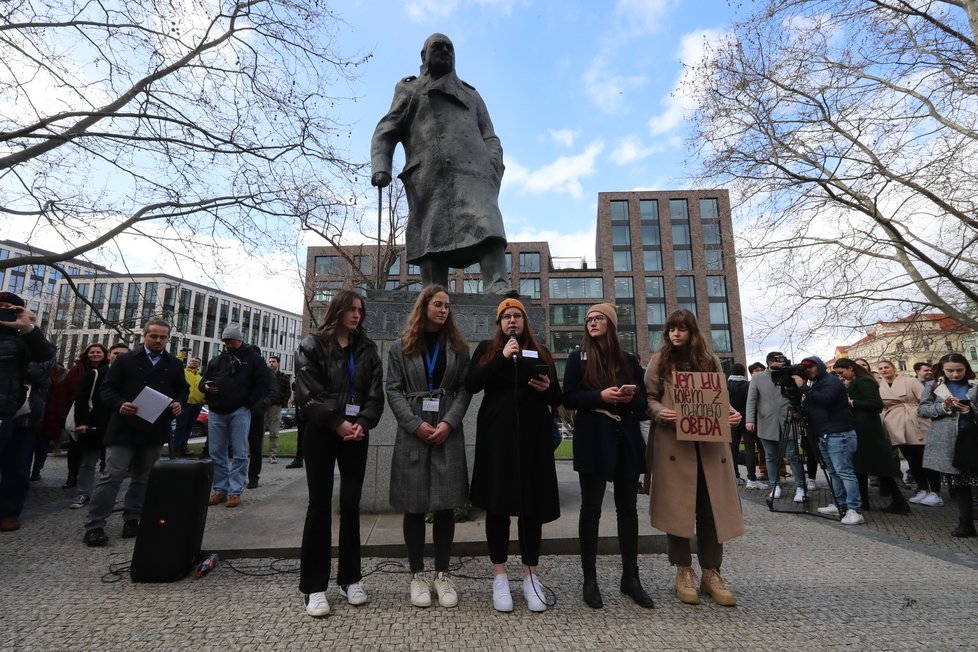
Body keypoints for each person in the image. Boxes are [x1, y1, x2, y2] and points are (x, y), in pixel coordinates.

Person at [371, 33, 509, 293]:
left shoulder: (471, 94)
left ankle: (498, 283)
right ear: (424, 56)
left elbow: (490, 135)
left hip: (475, 174)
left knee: (487, 220)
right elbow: (385, 131)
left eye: (450, 47)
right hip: (430, 178)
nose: (445, 50)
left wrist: (493, 164)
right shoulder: (410, 90)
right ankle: (433, 294)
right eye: (438, 46)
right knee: (431, 236)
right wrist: (381, 166)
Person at [465, 297, 561, 613]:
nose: (512, 321)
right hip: (498, 440)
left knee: (530, 509)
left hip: (533, 441)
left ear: (525, 322)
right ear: (499, 324)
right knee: (498, 507)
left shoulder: (540, 351)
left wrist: (546, 387)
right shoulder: (487, 350)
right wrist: (502, 358)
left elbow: (557, 397)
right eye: (506, 317)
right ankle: (500, 576)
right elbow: (472, 383)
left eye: (517, 316)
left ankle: (531, 576)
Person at [644, 309, 743, 607]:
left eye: (681, 329)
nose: (675, 334)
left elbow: (720, 400)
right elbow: (647, 397)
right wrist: (661, 411)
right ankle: (683, 570)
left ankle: (711, 571)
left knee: (712, 508)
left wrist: (732, 414)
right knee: (678, 509)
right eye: (672, 329)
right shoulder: (660, 360)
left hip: (710, 446)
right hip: (675, 445)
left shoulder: (710, 361)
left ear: (692, 331)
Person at [294, 290, 384, 617]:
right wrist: (336, 422)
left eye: (360, 310)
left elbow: (375, 394)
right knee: (319, 506)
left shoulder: (367, 350)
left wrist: (362, 423)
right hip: (321, 432)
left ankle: (350, 579)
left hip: (355, 435)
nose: (356, 315)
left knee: (350, 504)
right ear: (338, 310)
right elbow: (307, 391)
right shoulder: (312, 345)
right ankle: (314, 586)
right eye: (351, 309)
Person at [386, 285, 473, 608]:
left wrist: (449, 422)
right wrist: (415, 424)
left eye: (448, 306)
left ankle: (443, 573)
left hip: (447, 428)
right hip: (414, 430)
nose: (444, 310)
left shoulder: (458, 348)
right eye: (438, 304)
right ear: (424, 307)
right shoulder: (400, 347)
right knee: (414, 504)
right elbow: (392, 390)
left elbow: (465, 390)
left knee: (446, 504)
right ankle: (417, 574)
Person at [562, 303, 652, 610]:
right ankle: (590, 579)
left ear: (611, 324)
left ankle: (631, 578)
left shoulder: (628, 360)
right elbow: (569, 396)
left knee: (628, 510)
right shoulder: (577, 358)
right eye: (588, 319)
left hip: (625, 437)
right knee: (591, 509)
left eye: (598, 318)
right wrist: (600, 396)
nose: (592, 322)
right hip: (593, 437)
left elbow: (643, 403)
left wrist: (629, 398)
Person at [83, 318, 188, 546]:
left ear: (168, 338)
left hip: (154, 427)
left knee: (144, 477)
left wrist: (178, 402)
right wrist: (120, 404)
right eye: (154, 336)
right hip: (125, 427)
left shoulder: (174, 364)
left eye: (162, 337)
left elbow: (182, 389)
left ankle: (133, 517)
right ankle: (95, 524)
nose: (158, 340)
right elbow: (107, 389)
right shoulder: (126, 360)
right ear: (145, 336)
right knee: (112, 475)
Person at [0, 291, 56, 532]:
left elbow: (41, 365)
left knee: (18, 466)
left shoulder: (31, 337)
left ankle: (9, 512)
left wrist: (28, 329)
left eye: (10, 307)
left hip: (25, 412)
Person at [200, 323, 270, 508]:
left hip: (239, 410)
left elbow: (264, 382)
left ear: (239, 340)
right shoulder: (217, 361)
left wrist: (248, 402)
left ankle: (235, 490)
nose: (228, 344)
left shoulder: (253, 359)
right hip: (216, 410)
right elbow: (203, 379)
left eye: (231, 340)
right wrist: (206, 386)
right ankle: (220, 489)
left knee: (240, 452)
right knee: (216, 452)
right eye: (225, 341)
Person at [832, 358, 910, 514]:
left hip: (866, 428)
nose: (841, 376)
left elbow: (876, 404)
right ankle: (891, 501)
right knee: (870, 466)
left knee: (864, 466)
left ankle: (869, 501)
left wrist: (851, 403)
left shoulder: (862, 382)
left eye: (842, 372)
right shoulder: (858, 381)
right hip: (863, 426)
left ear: (850, 368)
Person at [793, 357, 864, 525]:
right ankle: (840, 504)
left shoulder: (831, 382)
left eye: (811, 367)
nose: (808, 371)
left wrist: (802, 387)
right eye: (805, 369)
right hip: (825, 433)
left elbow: (825, 399)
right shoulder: (816, 383)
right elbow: (814, 404)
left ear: (819, 367)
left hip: (839, 433)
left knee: (844, 471)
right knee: (833, 472)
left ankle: (855, 509)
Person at [919, 353, 978, 537]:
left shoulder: (974, 386)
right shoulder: (933, 385)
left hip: (972, 439)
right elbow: (922, 409)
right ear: (942, 369)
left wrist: (970, 409)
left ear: (966, 368)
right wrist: (944, 407)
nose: (954, 374)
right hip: (948, 442)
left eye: (959, 370)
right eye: (950, 370)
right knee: (960, 484)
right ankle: (966, 524)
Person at [877, 360, 941, 506]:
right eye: (880, 368)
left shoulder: (910, 381)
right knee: (911, 459)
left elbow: (924, 399)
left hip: (915, 419)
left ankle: (936, 492)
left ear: (894, 368)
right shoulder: (880, 386)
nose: (884, 370)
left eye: (886, 367)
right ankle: (923, 489)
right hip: (895, 423)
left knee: (926, 457)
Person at [746, 351, 808, 501]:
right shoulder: (758, 378)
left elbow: (799, 394)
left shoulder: (791, 375)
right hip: (767, 422)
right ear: (769, 362)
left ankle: (801, 487)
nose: (781, 363)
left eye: (783, 360)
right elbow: (752, 400)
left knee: (793, 455)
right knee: (771, 456)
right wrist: (750, 420)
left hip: (788, 419)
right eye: (778, 360)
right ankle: (775, 485)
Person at [67, 344, 111, 510]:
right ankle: (83, 492)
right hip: (93, 422)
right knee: (88, 461)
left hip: (111, 424)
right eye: (92, 352)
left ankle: (106, 494)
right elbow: (81, 400)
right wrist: (82, 422)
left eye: (98, 352)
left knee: (109, 463)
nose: (95, 354)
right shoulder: (92, 373)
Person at [727, 363, 759, 489]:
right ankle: (751, 478)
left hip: (731, 420)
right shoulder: (748, 386)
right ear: (744, 373)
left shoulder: (726, 386)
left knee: (732, 448)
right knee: (750, 449)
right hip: (747, 420)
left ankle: (734, 475)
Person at [172, 356, 205, 457]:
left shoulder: (201, 376)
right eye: (192, 361)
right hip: (185, 403)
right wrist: (182, 355)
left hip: (197, 404)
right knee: (181, 426)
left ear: (199, 365)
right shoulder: (183, 372)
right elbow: (175, 364)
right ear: (189, 362)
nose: (194, 362)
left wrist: (203, 399)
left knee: (189, 427)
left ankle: (183, 447)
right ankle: (176, 448)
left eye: (197, 362)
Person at [265, 355, 292, 464]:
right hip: (264, 405)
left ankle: (272, 455)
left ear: (278, 363)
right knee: (259, 431)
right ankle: (256, 453)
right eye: (270, 361)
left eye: (273, 361)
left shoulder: (283, 377)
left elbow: (287, 392)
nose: (271, 363)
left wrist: (281, 402)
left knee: (274, 431)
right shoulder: (264, 376)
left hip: (276, 406)